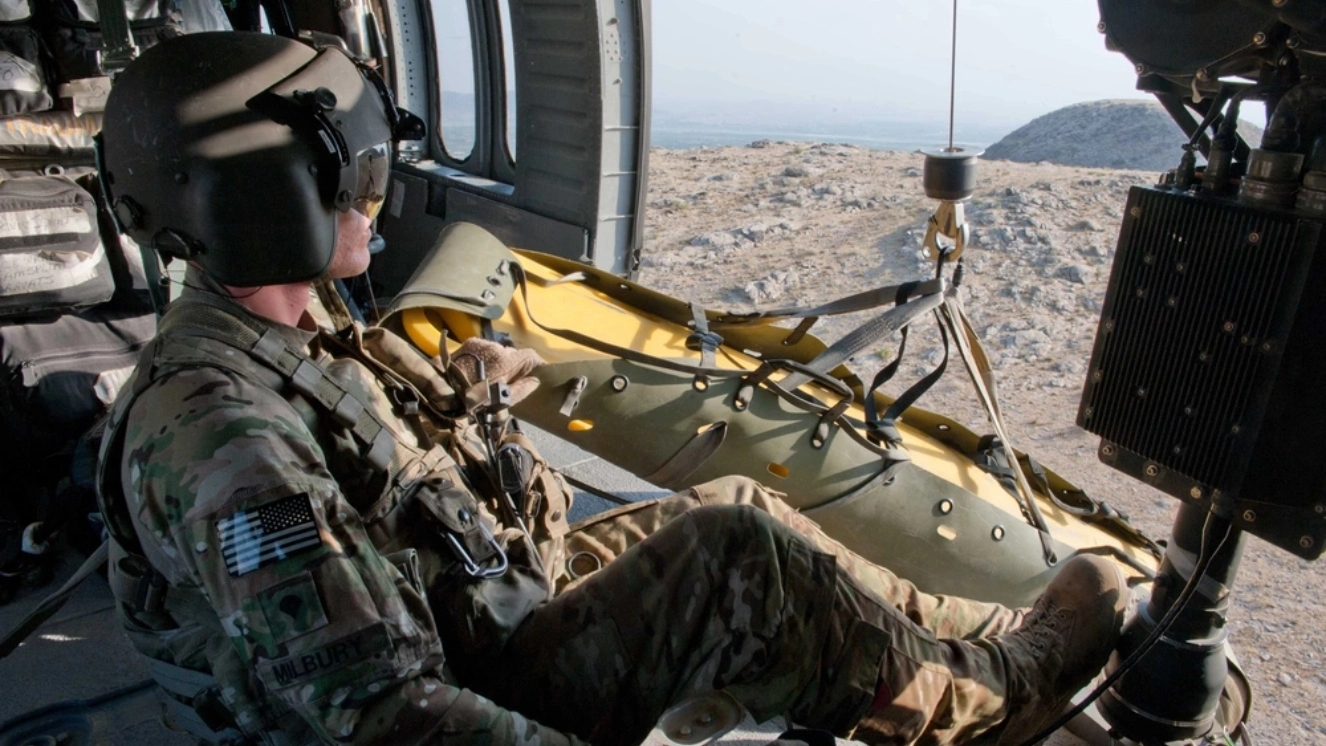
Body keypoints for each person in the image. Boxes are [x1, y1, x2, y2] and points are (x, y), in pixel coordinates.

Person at [94, 31, 1128, 746]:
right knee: (741, 559)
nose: (377, 194)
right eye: (350, 176)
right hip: (450, 691)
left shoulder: (290, 325)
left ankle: (972, 640)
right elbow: (378, 712)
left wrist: (477, 409)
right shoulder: (220, 434)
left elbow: (384, 498)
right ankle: (1003, 701)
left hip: (468, 610)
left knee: (737, 503)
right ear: (264, 204)